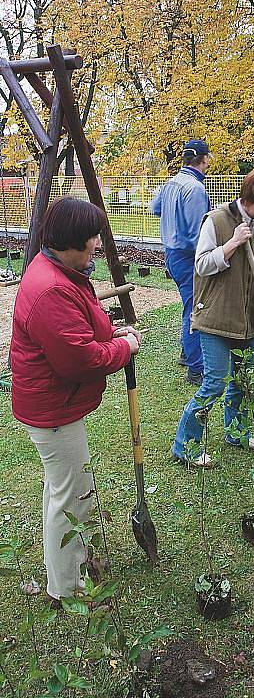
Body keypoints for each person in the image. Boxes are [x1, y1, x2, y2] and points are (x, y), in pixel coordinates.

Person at [10, 196, 141, 606]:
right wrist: (126, 348)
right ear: (69, 243)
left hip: (53, 405)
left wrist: (111, 335)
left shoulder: (59, 270)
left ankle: (69, 566)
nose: (97, 246)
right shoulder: (50, 288)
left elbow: (81, 329)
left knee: (62, 490)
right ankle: (68, 588)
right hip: (54, 410)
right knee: (72, 498)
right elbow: (79, 360)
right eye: (92, 240)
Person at [172, 167, 254, 466]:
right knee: (215, 383)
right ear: (250, 194)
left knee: (244, 380)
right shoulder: (218, 221)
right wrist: (233, 243)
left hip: (249, 320)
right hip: (216, 319)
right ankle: (185, 445)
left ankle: (237, 431)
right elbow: (202, 265)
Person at [151, 139, 212, 385]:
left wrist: (171, 217)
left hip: (171, 253)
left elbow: (155, 209)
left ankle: (187, 353)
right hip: (189, 257)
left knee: (189, 305)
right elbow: (197, 234)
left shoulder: (171, 183)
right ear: (205, 159)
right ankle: (196, 368)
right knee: (196, 309)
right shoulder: (195, 189)